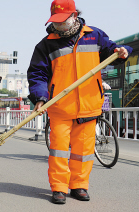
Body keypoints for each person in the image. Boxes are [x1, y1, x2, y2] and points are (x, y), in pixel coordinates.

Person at [27, 0, 132, 204]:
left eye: (62, 21)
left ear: (74, 15)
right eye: (55, 22)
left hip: (89, 104)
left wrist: (123, 51)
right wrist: (40, 98)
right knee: (58, 151)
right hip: (59, 107)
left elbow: (114, 52)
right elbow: (37, 74)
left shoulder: (94, 35)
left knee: (83, 152)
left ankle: (79, 186)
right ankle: (58, 188)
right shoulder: (46, 44)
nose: (59, 26)